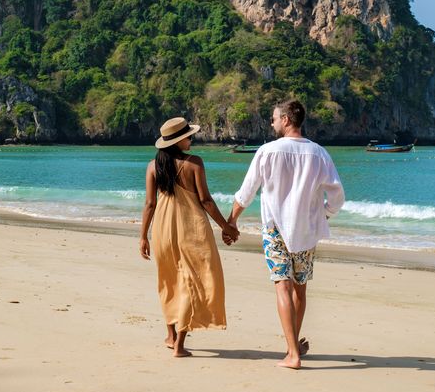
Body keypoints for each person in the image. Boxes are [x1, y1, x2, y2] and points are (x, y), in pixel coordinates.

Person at [228, 100, 345, 370]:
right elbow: (338, 196)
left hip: (275, 228)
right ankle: (292, 349)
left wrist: (231, 221)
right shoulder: (319, 154)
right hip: (306, 230)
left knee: (282, 286)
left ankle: (293, 353)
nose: (271, 123)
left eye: (274, 118)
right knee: (300, 289)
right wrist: (324, 214)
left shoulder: (267, 151)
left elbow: (246, 192)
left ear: (286, 120)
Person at [140, 116, 239, 358]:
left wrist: (143, 236)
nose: (191, 139)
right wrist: (226, 227)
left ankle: (171, 335)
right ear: (177, 141)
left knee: (169, 280)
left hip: (162, 229)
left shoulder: (153, 166)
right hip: (191, 229)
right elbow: (205, 201)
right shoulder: (194, 163)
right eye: (188, 136)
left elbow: (150, 204)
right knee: (191, 281)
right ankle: (179, 345)